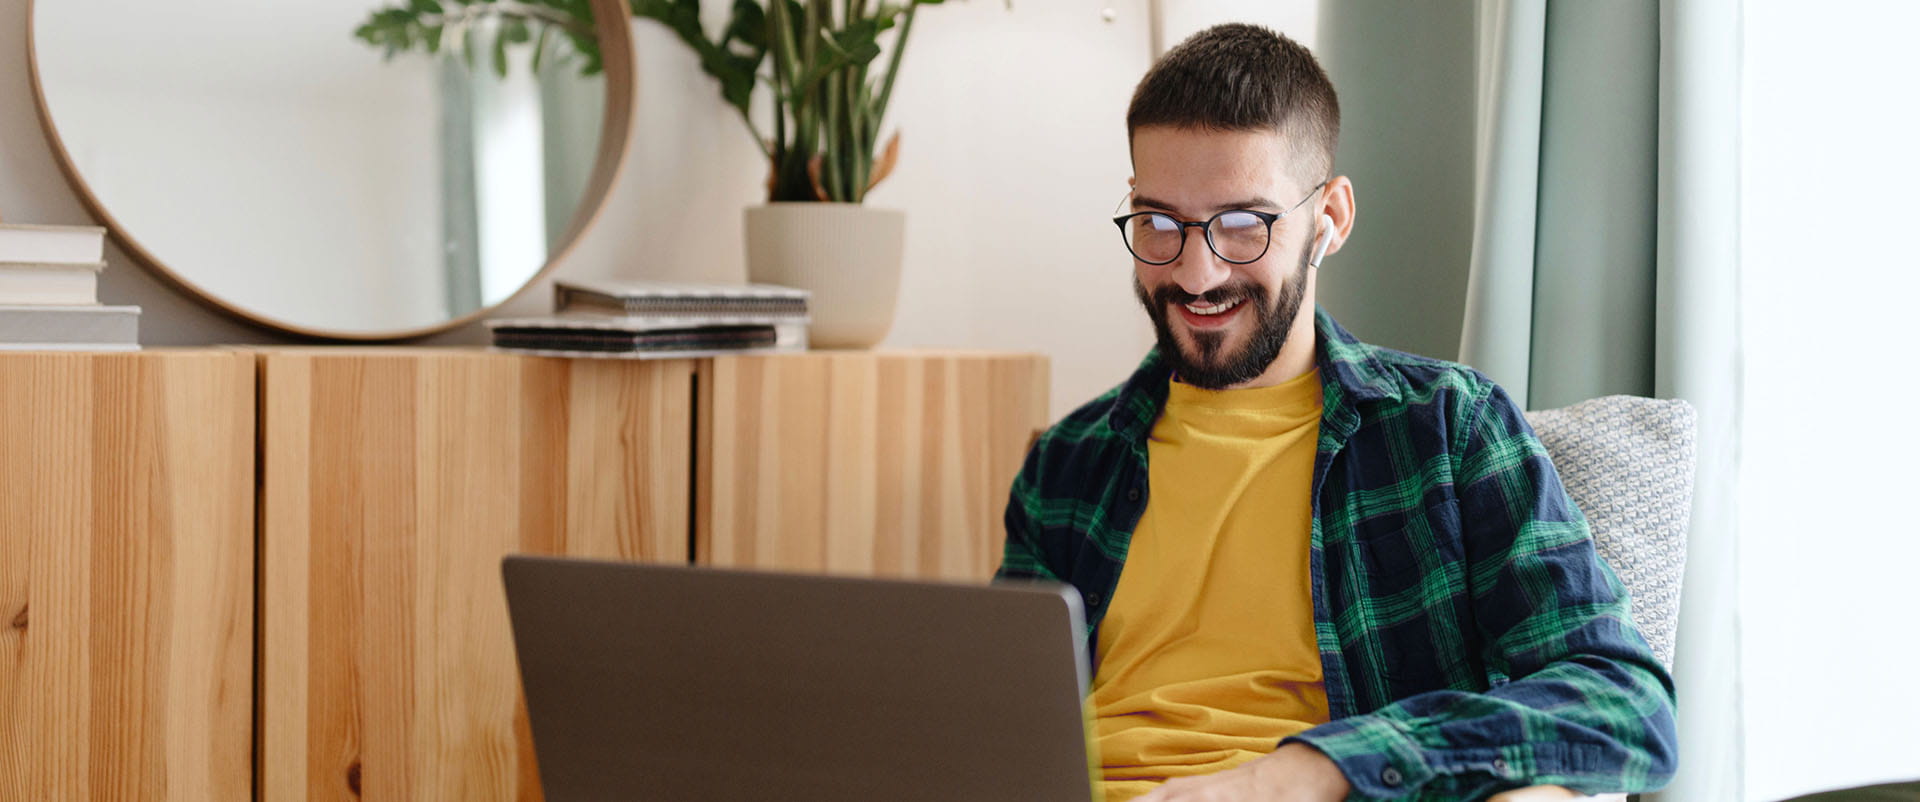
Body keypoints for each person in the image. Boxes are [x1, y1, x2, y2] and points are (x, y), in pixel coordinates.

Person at [996, 23, 1677, 802]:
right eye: (1158, 222)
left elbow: (1622, 702)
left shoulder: (1447, 430)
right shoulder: (1069, 463)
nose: (1195, 271)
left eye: (1243, 226)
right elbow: (999, 727)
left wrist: (1305, 771)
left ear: (1331, 219)